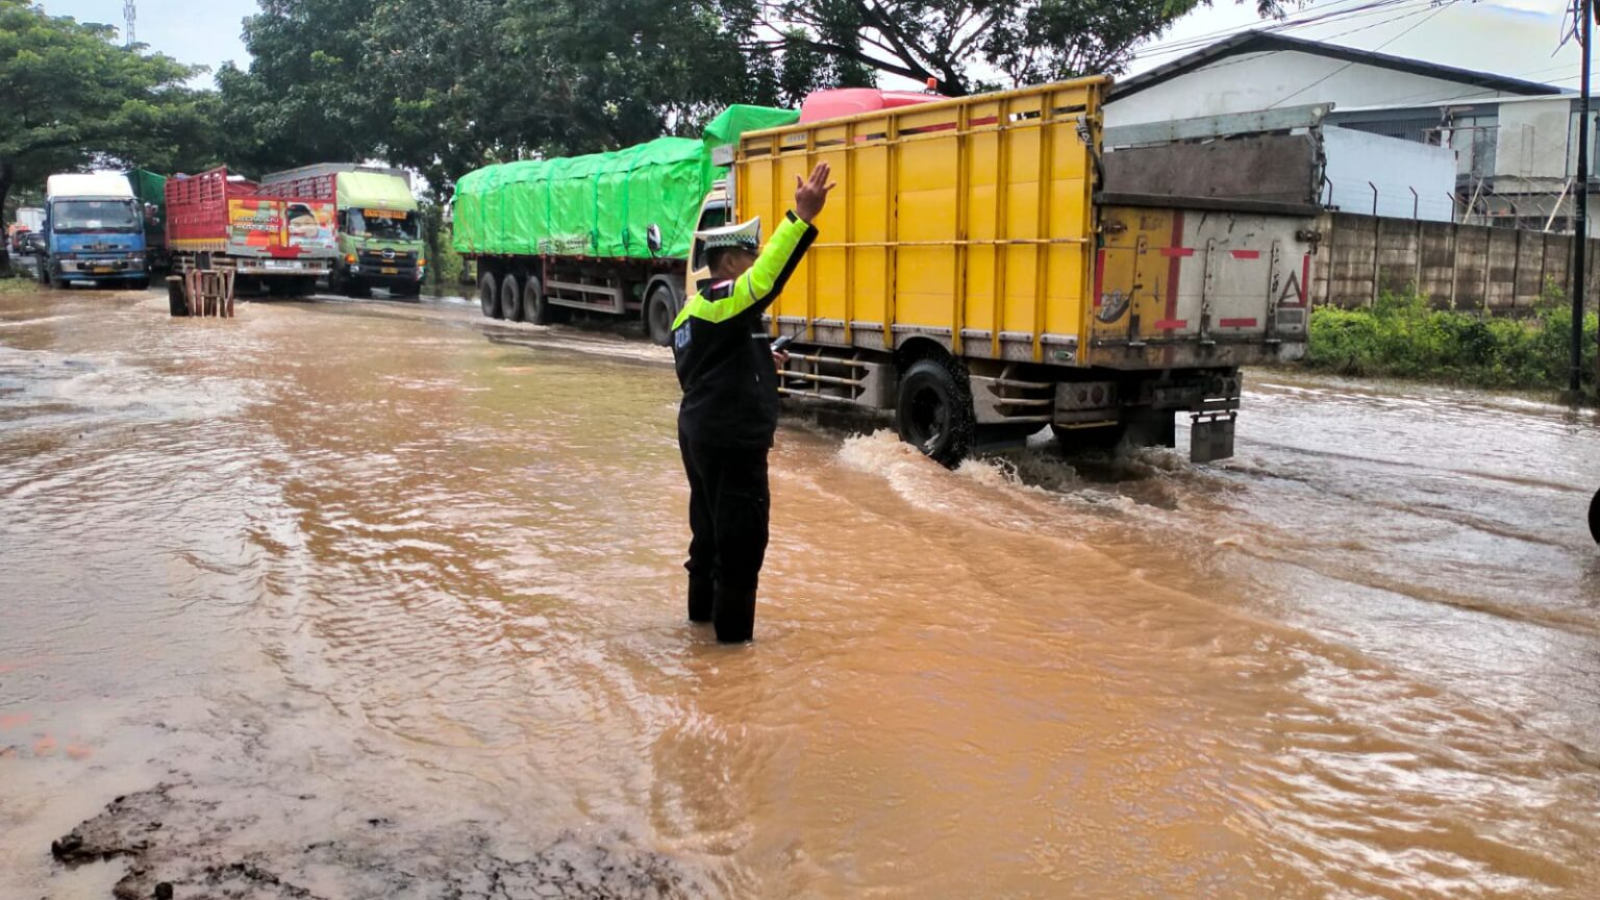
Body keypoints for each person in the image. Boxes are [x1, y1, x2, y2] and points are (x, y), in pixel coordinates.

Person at [672, 162, 835, 643]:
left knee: (707, 538)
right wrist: (800, 217)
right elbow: (766, 281)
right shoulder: (726, 297)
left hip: (700, 433)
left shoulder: (694, 309)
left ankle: (699, 632)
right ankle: (731, 667)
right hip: (731, 437)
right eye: (751, 253)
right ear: (729, 262)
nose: (756, 258)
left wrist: (762, 359)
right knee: (740, 549)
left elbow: (708, 365)